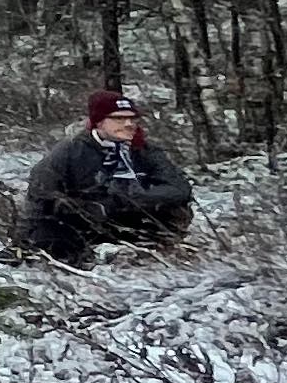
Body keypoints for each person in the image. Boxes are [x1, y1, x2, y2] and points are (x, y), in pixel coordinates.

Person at [20, 90, 192, 264]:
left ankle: (158, 252)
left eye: (133, 119)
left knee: (178, 209)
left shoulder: (145, 151)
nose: (129, 124)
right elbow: (39, 198)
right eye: (118, 119)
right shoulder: (69, 153)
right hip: (84, 226)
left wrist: (137, 199)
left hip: (135, 220)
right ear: (99, 122)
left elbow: (180, 189)